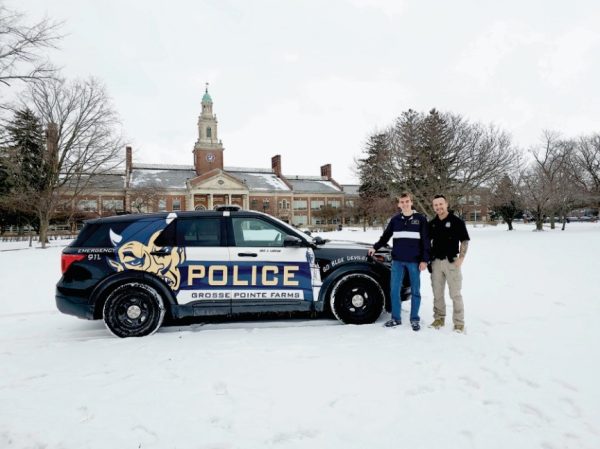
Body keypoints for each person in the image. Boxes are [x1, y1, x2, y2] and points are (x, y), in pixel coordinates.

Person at [368, 193, 430, 331]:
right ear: (399, 204)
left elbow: (426, 241)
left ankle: (414, 319)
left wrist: (425, 260)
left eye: (407, 201)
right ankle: (396, 318)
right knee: (394, 290)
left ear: (411, 202)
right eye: (402, 202)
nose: (405, 204)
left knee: (415, 290)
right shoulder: (395, 220)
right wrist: (375, 247)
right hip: (397, 261)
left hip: (414, 261)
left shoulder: (420, 219)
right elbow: (385, 237)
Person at [428, 194, 470, 333]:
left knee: (455, 294)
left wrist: (461, 258)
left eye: (441, 204)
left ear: (446, 204)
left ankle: (459, 322)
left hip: (451, 262)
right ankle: (439, 318)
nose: (438, 207)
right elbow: (426, 242)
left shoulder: (456, 221)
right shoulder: (432, 223)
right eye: (436, 205)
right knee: (437, 293)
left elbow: (464, 240)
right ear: (433, 207)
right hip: (436, 263)